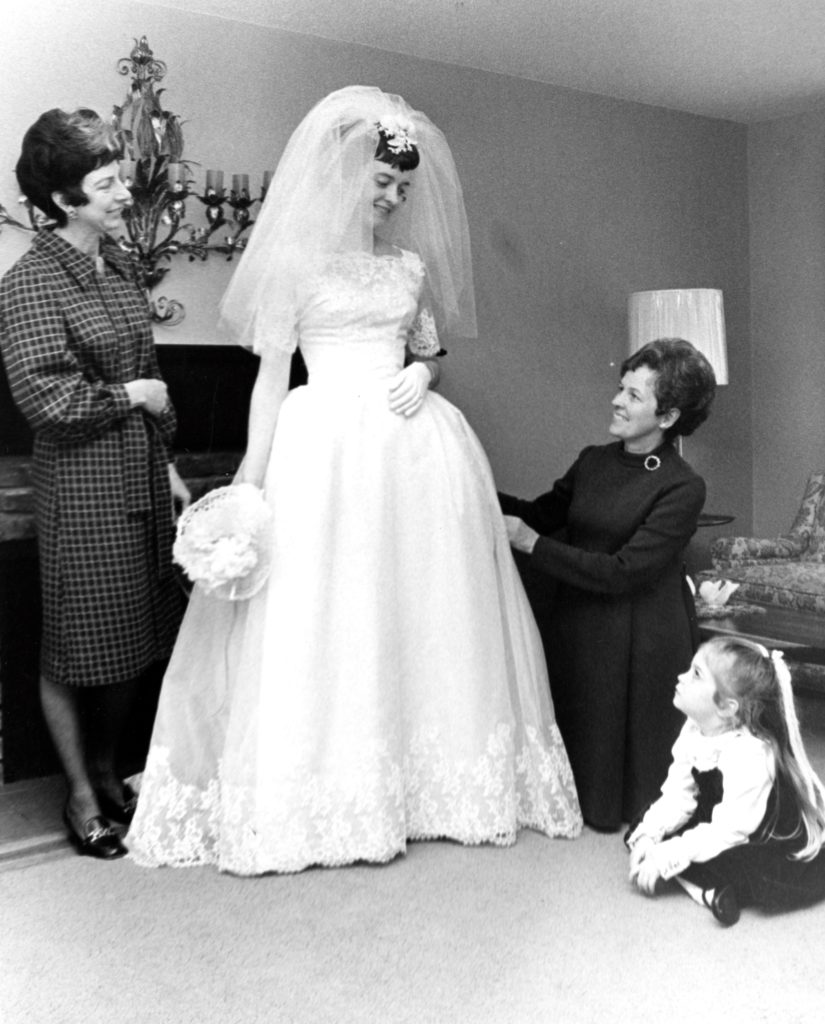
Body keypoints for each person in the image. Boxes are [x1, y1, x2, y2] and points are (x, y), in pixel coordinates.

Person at [128, 85, 582, 876]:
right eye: (381, 181)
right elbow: (271, 379)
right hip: (325, 444)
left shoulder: (406, 266)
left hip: (415, 448)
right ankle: (329, 789)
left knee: (426, 606)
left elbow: (430, 349)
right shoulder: (294, 263)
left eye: (403, 187)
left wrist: (425, 375)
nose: (394, 197)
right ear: (343, 175)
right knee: (327, 608)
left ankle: (424, 790)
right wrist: (248, 481)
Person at [0, 109, 189, 858]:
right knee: (78, 645)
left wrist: (167, 460)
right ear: (62, 202)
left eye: (120, 176)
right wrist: (130, 399)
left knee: (138, 634)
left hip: (140, 468)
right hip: (81, 480)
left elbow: (151, 374)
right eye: (105, 183)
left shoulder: (120, 267)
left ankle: (109, 768)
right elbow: (46, 401)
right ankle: (82, 796)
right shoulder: (30, 282)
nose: (123, 193)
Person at [501, 339, 716, 831]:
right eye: (621, 388)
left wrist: (533, 544)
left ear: (668, 416)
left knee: (642, 790)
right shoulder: (594, 460)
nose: (617, 400)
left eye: (635, 396)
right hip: (580, 616)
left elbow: (626, 571)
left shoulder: (683, 486)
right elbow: (539, 516)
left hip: (641, 633)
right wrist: (471, 483)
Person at [626, 637, 825, 926]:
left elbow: (729, 831)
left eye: (696, 675)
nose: (681, 677)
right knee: (643, 827)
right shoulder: (695, 728)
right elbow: (678, 795)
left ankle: (711, 892)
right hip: (724, 814)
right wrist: (649, 836)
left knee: (740, 866)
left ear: (727, 708)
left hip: (765, 835)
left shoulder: (750, 754)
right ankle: (711, 889)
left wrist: (665, 855)